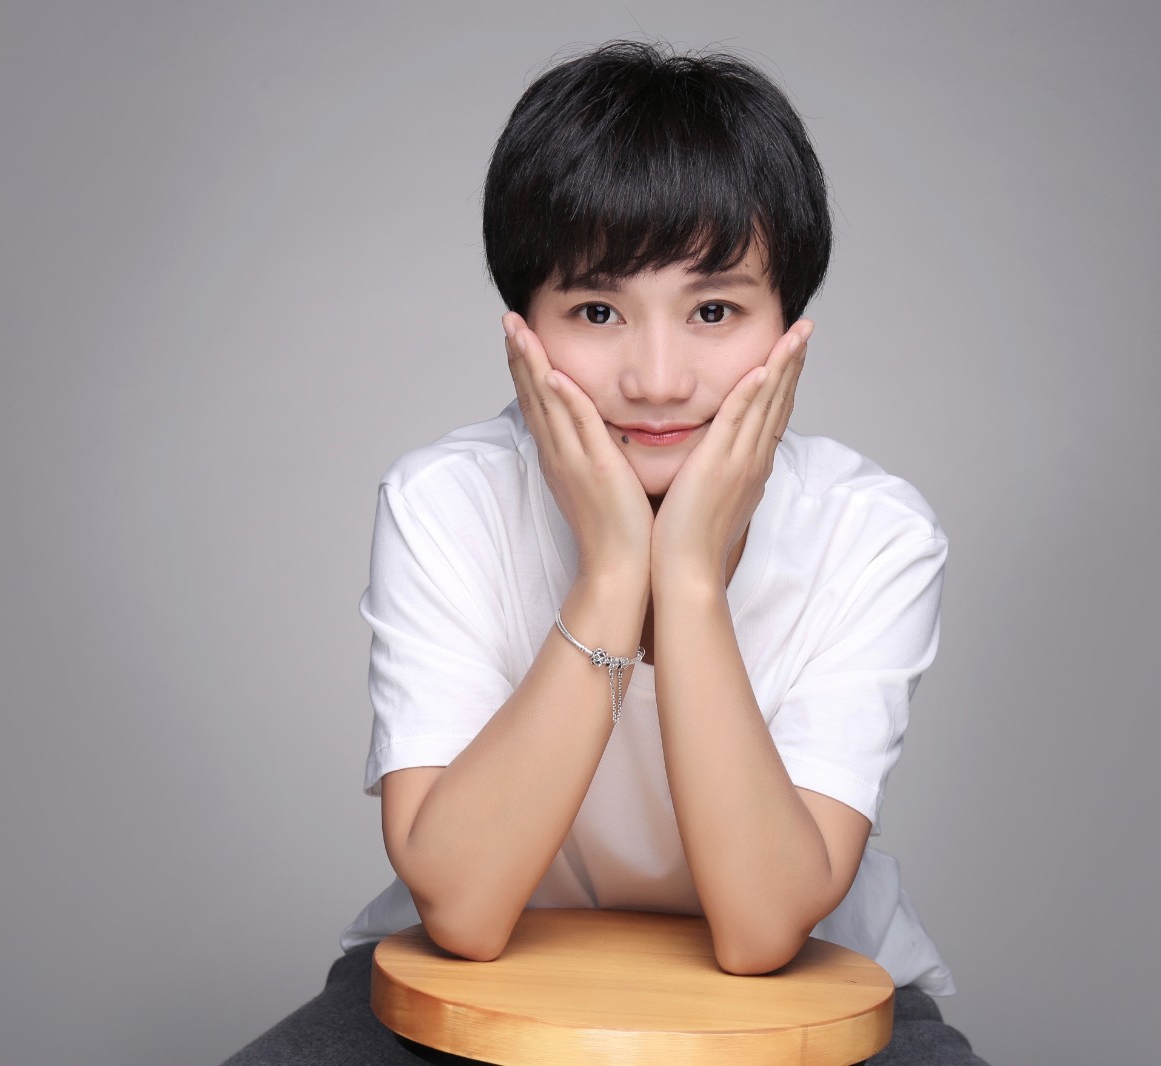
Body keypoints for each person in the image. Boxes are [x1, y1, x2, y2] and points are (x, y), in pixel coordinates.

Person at [225, 41, 987, 1065]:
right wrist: (615, 572)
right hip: (468, 1001)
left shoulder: (872, 532)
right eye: (596, 311)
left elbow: (763, 930)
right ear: (523, 333)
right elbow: (463, 909)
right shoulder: (446, 502)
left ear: (789, 331)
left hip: (811, 1009)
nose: (658, 379)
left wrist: (688, 578)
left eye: (714, 311)